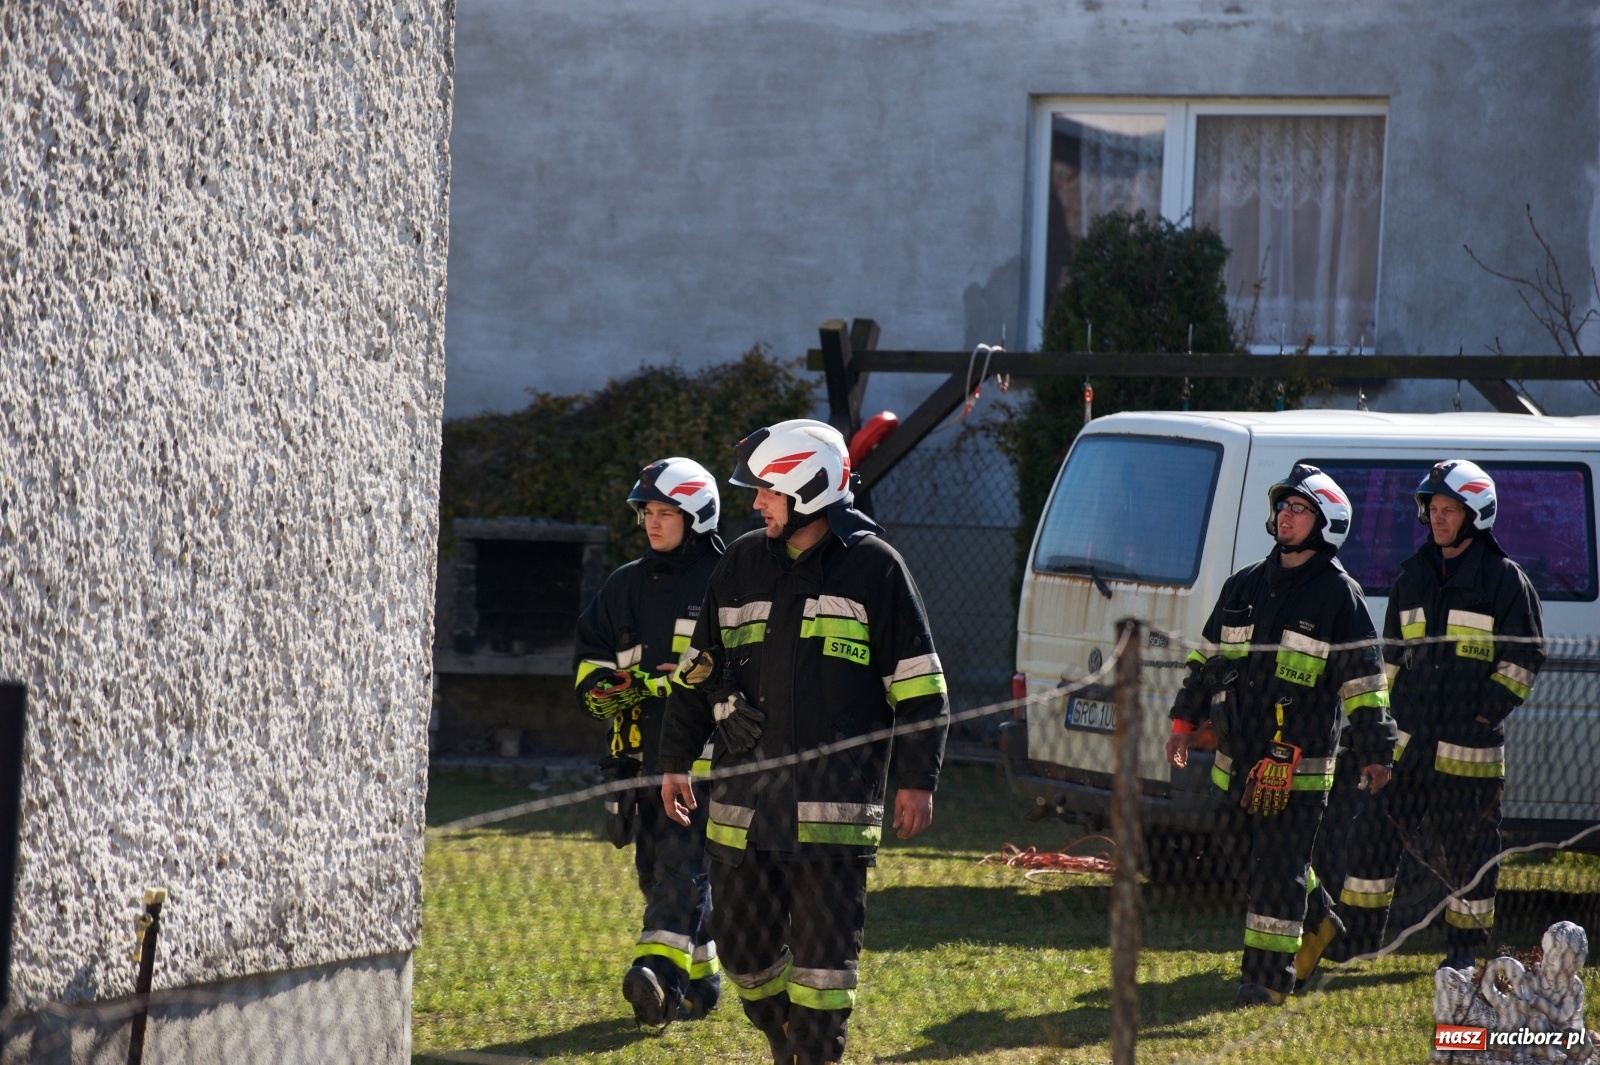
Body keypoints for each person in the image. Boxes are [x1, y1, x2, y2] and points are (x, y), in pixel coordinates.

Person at [656, 419, 950, 1065]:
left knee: (823, 971)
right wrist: (675, 759)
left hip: (831, 818)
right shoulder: (739, 563)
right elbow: (698, 669)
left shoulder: (877, 568)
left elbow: (921, 688)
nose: (756, 502)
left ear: (808, 488)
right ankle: (781, 1033)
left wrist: (917, 779)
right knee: (743, 954)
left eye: (767, 490)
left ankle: (812, 1054)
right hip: (742, 813)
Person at [1165, 463, 1397, 1006]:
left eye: (1298, 509)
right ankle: (1319, 924)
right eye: (1283, 507)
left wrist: (1376, 750)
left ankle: (1266, 979)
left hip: (1298, 765)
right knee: (1247, 852)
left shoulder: (1340, 596)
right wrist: (1183, 723)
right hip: (1234, 759)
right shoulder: (1243, 584)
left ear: (1325, 524)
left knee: (1277, 868)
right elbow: (1206, 661)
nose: (1284, 516)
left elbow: (1364, 683)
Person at [1335, 459, 1544, 971]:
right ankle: (1357, 941)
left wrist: (1482, 713)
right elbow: (1387, 660)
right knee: (1372, 842)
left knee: (1469, 855)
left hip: (1467, 753)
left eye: (1449, 508)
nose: (1438, 518)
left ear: (1476, 514)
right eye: (1432, 508)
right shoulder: (1411, 578)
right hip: (1406, 748)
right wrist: (1375, 732)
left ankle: (1461, 951)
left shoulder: (1503, 581)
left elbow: (1525, 656)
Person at [572, 457, 724, 1027]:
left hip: (708, 764)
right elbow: (589, 673)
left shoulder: (726, 579)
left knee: (680, 869)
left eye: (666, 513)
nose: (653, 524)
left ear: (699, 515)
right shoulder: (624, 586)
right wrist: (634, 684)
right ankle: (703, 981)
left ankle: (655, 973)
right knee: (657, 870)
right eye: (648, 514)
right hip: (638, 762)